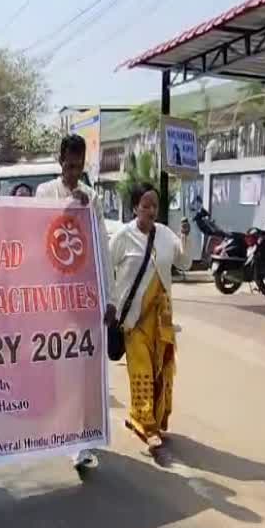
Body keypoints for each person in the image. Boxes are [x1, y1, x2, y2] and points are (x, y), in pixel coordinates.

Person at [110, 184, 191, 450]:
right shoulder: (123, 236)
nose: (151, 210)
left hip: (162, 320)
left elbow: (185, 263)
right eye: (145, 205)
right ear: (135, 208)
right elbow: (105, 268)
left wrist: (185, 236)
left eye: (154, 205)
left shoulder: (166, 235)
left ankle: (146, 417)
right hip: (134, 320)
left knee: (161, 371)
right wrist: (110, 303)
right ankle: (146, 425)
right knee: (142, 372)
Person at [36, 135, 114, 317]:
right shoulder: (45, 192)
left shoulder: (91, 198)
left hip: (83, 289)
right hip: (54, 287)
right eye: (70, 166)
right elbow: (43, 235)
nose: (74, 173)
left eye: (79, 167)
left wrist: (111, 299)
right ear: (60, 161)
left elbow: (102, 248)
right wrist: (71, 204)